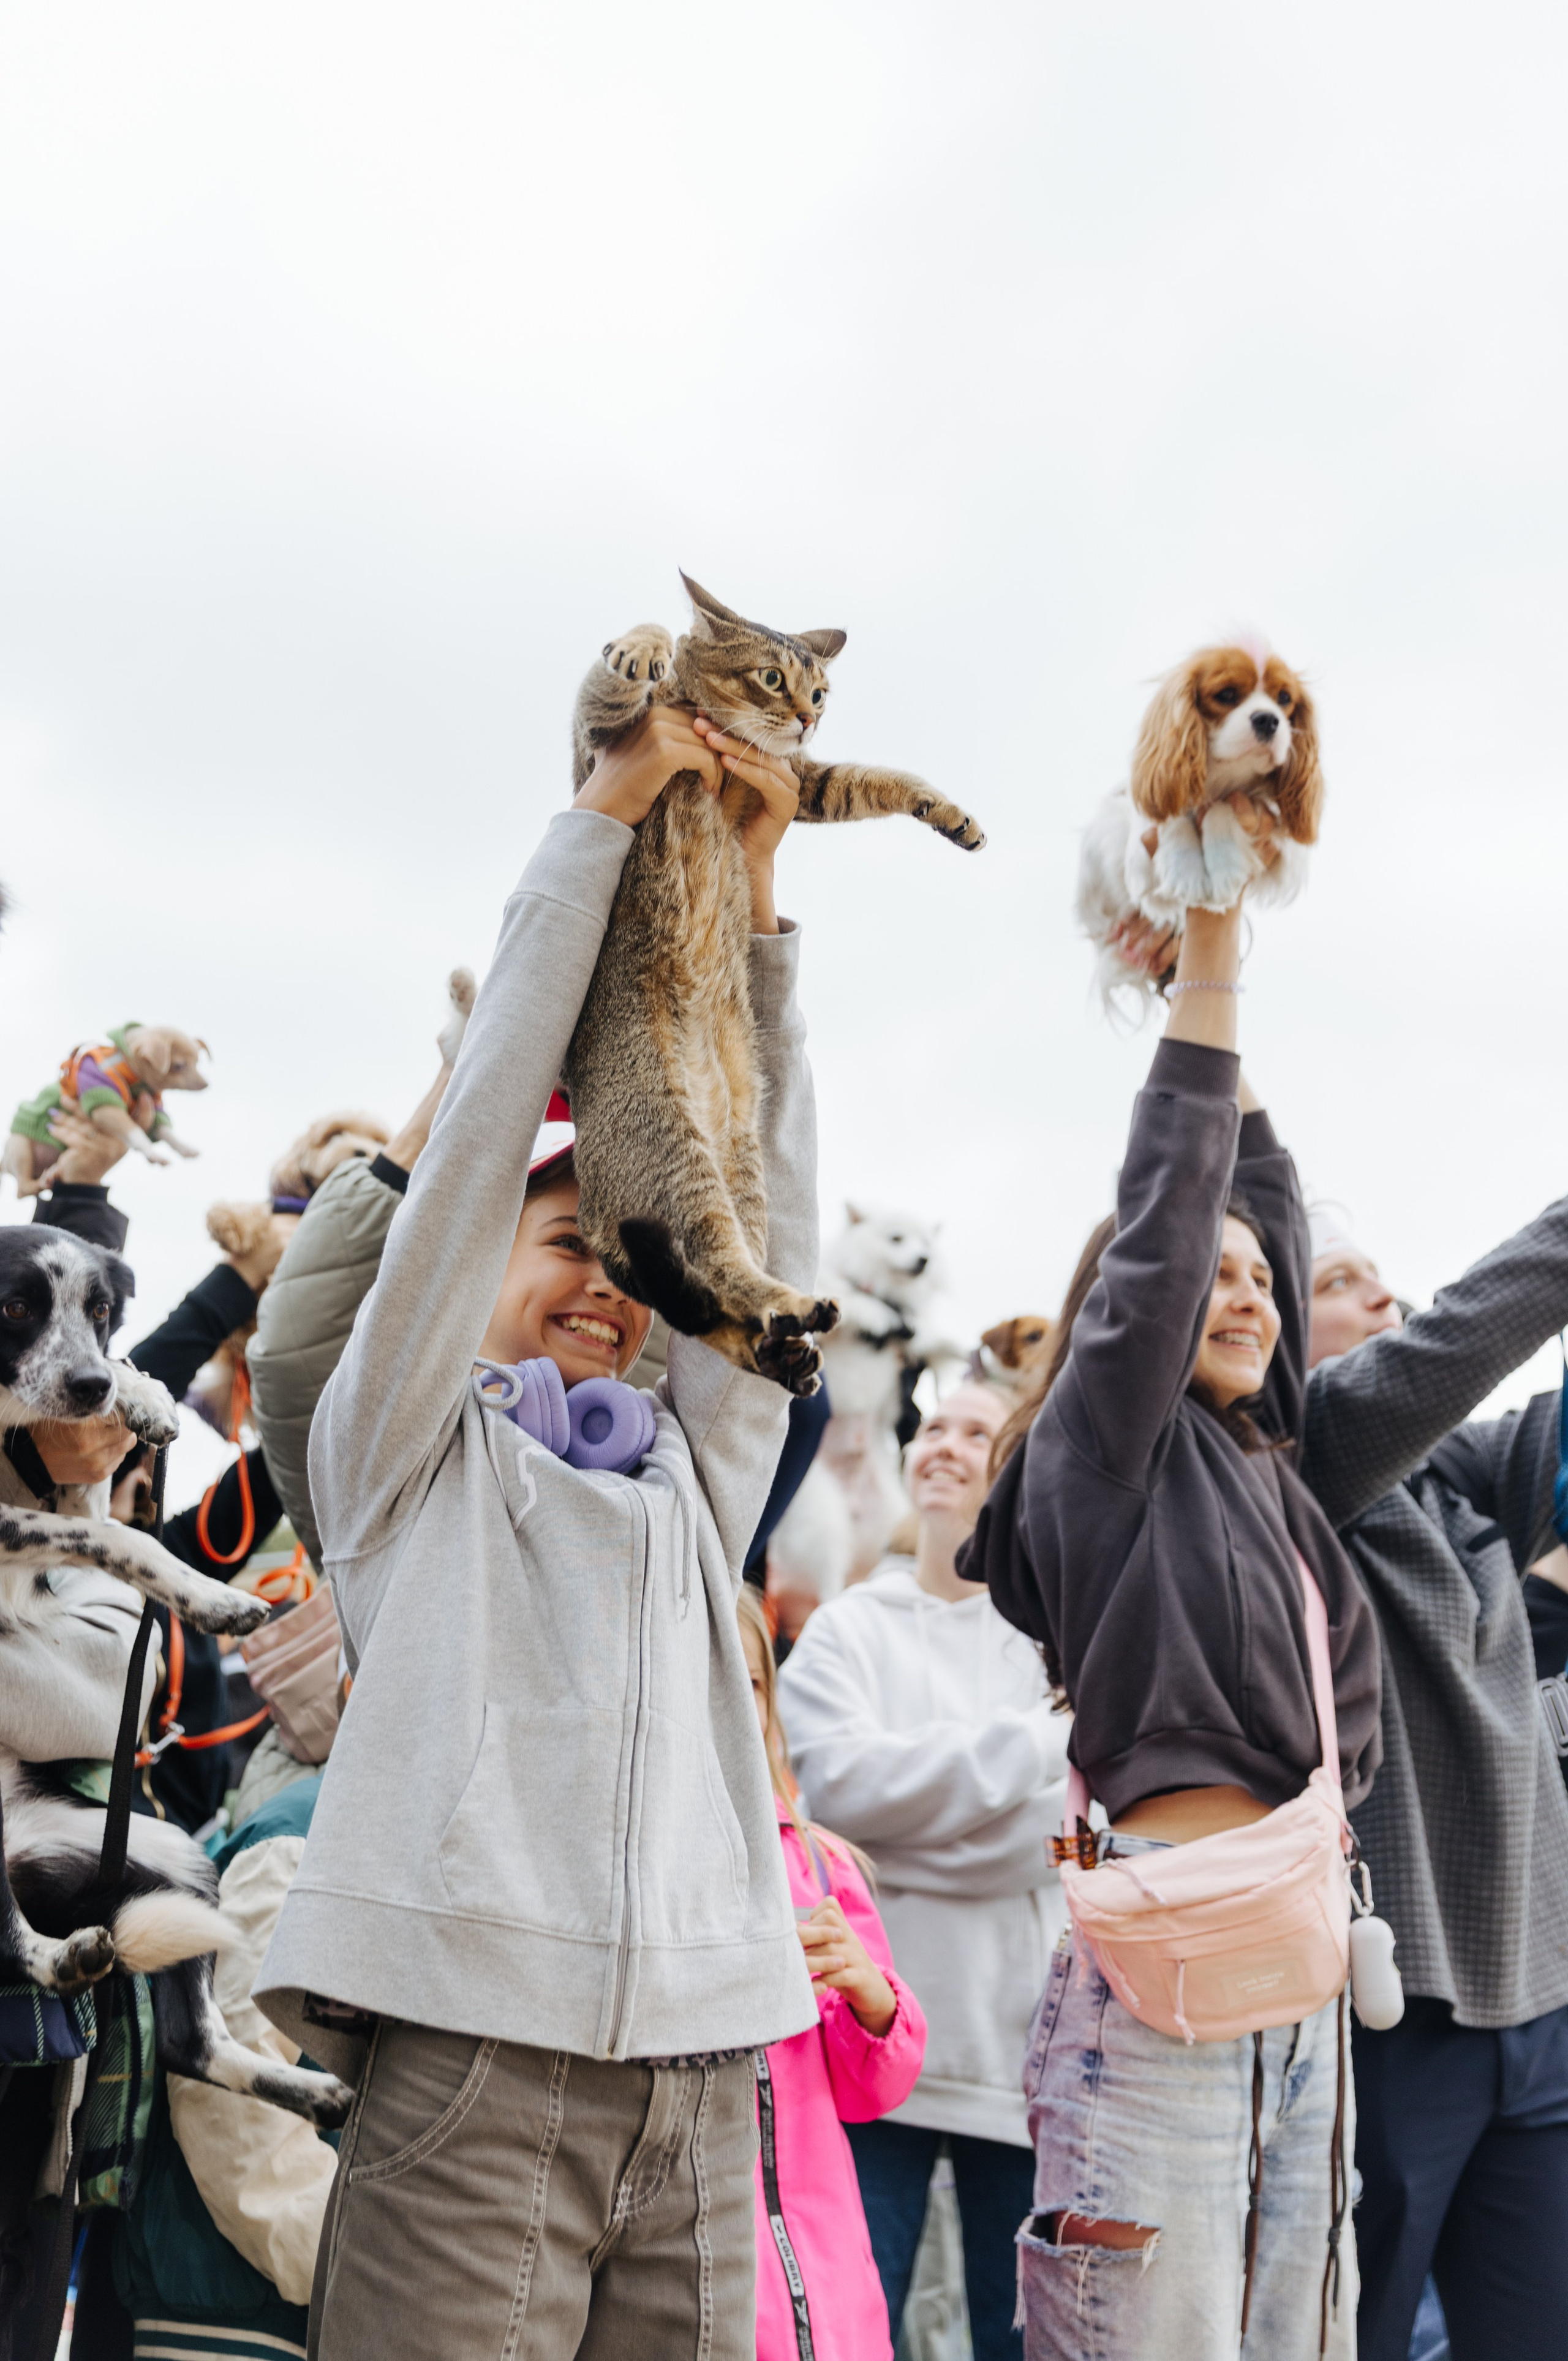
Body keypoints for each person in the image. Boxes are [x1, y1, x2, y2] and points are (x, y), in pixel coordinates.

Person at [252, 706, 824, 2361]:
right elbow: (483, 1131)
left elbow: (758, 1217)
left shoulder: (690, 1483)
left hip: (714, 2085)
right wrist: (605, 813)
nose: (608, 1287)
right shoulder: (397, 1453)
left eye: (637, 1269)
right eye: (571, 1241)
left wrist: (761, 912)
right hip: (474, 2071)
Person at [963, 888, 1384, 2361]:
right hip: (1157, 1991)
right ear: (1117, 1318)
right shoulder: (1103, 1449)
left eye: (1260, 1283)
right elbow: (1178, 1201)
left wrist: (1206, 1019)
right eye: (1205, 1280)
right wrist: (1207, 958)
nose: (1247, 1292)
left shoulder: (1267, 1474)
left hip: (1299, 1983)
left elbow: (1253, 1193)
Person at [1300, 1214, 1568, 2360]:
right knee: (1359, 2332)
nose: (1387, 1295)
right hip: (1396, 2013)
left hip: (1542, 2006)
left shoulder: (1461, 1479)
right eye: (1342, 1280)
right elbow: (1459, 1344)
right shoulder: (1304, 1453)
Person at [778, 1381, 1068, 2361]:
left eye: (979, 1430)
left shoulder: (1056, 1636)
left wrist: (907, 1829)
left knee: (1019, 2339)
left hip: (1018, 2056)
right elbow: (844, 1794)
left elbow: (1069, 1833)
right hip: (866, 2049)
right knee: (853, 2329)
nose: (945, 1443)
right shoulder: (847, 1628)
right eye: (933, 1424)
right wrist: (1033, 1748)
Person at [736, 1584, 927, 2361]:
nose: (731, 1703)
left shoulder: (819, 1861)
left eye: (749, 1685)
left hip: (829, 2276)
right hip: (715, 2277)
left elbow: (869, 2091)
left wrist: (873, 2001)